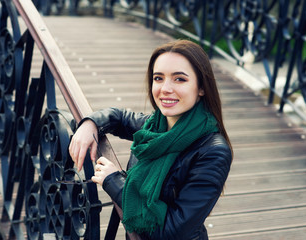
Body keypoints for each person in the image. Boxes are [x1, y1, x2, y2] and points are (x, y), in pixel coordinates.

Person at [69, 39, 233, 239]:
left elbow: (172, 232)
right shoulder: (155, 126)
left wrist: (114, 181)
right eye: (158, 78)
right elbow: (119, 117)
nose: (165, 88)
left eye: (179, 79)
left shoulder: (213, 151)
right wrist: (90, 123)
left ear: (201, 87)